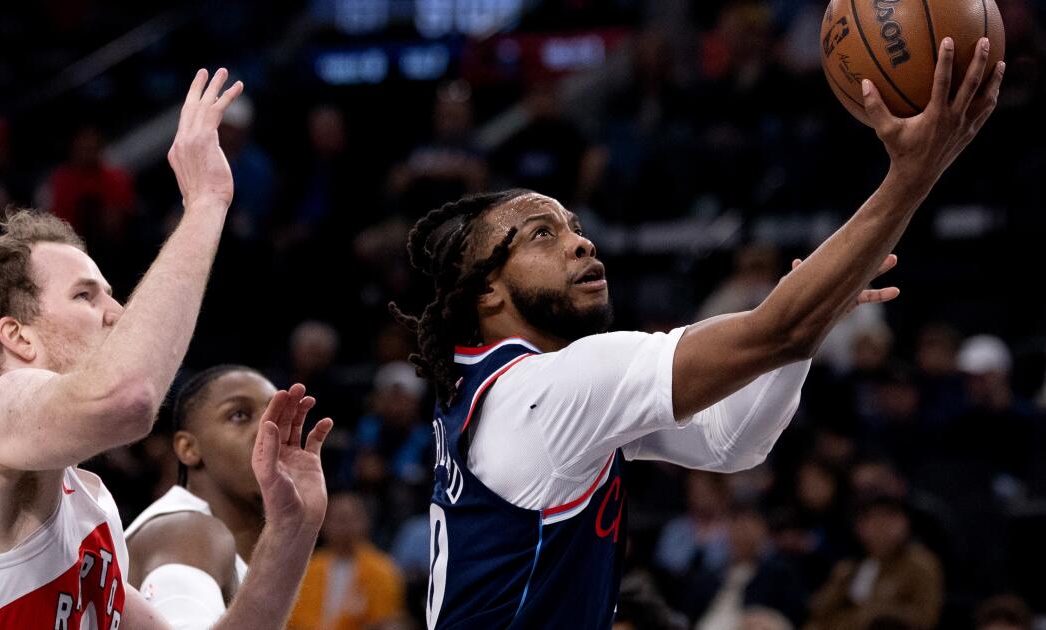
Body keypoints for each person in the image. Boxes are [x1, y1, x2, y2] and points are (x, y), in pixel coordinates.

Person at [388, 38, 1003, 629]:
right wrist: (912, 176)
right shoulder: (546, 393)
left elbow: (733, 444)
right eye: (542, 234)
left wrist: (807, 330)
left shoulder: (513, 399)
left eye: (573, 224)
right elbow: (773, 331)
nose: (581, 240)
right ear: (487, 291)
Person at [0, 68, 331, 629]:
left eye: (110, 293)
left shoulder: (93, 511)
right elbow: (127, 397)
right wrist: (204, 203)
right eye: (86, 295)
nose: (118, 312)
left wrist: (292, 530)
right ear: (16, 335)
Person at [126, 365, 332, 628]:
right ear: (188, 448)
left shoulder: (230, 546)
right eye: (239, 415)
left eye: (276, 416)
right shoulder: (187, 530)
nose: (267, 429)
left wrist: (294, 527)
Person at [805, 496, 943, 630]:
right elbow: (817, 610)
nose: (879, 528)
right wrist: (840, 583)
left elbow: (926, 618)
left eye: (887, 519)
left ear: (904, 523)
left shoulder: (919, 563)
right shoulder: (852, 566)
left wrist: (880, 611)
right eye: (871, 520)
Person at [288, 493, 406, 630]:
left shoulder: (383, 570)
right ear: (324, 524)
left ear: (365, 522)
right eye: (339, 519)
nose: (345, 526)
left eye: (351, 519)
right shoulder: (307, 568)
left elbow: (386, 619)